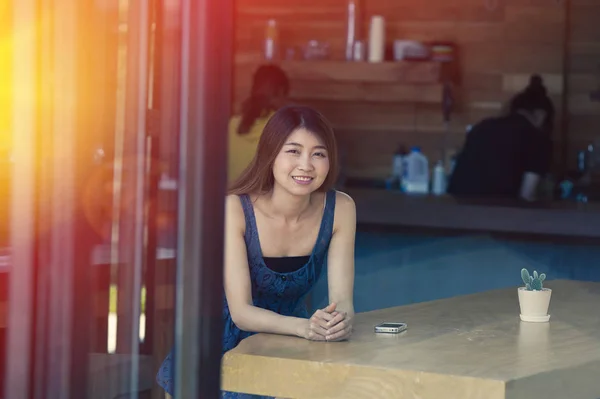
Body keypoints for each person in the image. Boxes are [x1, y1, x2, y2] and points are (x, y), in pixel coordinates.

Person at [157, 105, 356, 398]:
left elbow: (343, 303)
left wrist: (338, 324)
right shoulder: (235, 209)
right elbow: (241, 313)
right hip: (219, 352)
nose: (306, 165)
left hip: (289, 348)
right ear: (270, 154)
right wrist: (307, 328)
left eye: (318, 154)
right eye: (293, 151)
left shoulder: (340, 208)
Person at [447, 75, 555, 201]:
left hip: (456, 209)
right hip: (500, 214)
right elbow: (527, 195)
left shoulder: (482, 126)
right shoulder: (537, 139)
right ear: (541, 115)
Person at [228, 64, 290, 183]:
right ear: (281, 92)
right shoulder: (281, 127)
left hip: (230, 198)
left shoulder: (232, 124)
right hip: (260, 200)